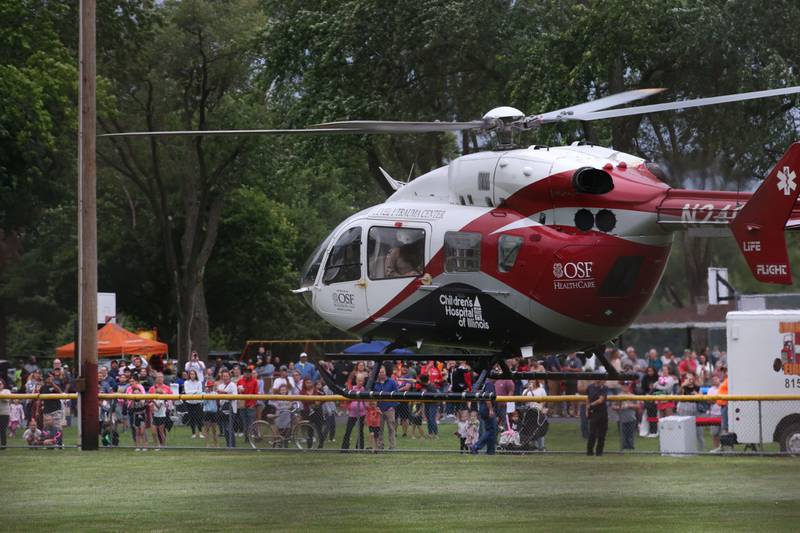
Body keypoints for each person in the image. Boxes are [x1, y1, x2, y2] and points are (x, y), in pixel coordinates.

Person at [471, 379, 498, 455]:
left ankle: (490, 451)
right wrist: (490, 409)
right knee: (491, 431)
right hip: (487, 409)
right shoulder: (489, 384)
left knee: (491, 430)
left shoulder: (486, 384)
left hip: (483, 408)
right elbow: (487, 397)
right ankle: (476, 446)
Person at [341, 375, 366, 451]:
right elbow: (347, 400)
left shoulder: (364, 389)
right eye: (359, 380)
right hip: (352, 414)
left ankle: (359, 447)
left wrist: (366, 412)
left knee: (360, 431)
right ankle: (344, 448)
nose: (360, 382)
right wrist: (348, 406)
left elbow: (365, 402)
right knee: (348, 430)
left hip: (362, 414)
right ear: (356, 381)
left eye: (362, 381)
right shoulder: (352, 388)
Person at [148, 372, 172, 450]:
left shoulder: (167, 388)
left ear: (163, 378)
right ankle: (157, 445)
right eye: (158, 377)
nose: (159, 378)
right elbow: (149, 399)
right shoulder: (152, 388)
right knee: (154, 431)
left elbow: (171, 398)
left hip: (163, 412)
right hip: (154, 413)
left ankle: (163, 445)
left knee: (162, 430)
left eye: (161, 377)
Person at [586, 378, 609, 456]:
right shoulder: (590, 387)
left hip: (602, 412)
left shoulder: (604, 388)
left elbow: (601, 400)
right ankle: (589, 451)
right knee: (592, 433)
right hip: (593, 412)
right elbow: (588, 399)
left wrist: (591, 405)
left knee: (602, 434)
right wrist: (587, 410)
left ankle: (599, 452)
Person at [614, 380, 639, 451]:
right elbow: (613, 406)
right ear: (621, 386)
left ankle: (631, 447)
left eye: (627, 385)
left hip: (631, 417)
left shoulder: (633, 396)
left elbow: (638, 406)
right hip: (622, 418)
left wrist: (631, 405)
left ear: (629, 386)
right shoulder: (618, 396)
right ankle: (623, 447)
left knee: (630, 434)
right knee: (623, 434)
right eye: (624, 386)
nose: (625, 387)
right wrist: (620, 407)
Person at [126, 374, 149, 450]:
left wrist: (140, 398)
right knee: (136, 431)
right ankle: (137, 446)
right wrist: (132, 399)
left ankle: (145, 446)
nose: (136, 394)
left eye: (133, 381)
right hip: (135, 415)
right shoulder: (129, 390)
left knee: (142, 431)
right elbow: (131, 406)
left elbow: (143, 404)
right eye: (130, 381)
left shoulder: (141, 389)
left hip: (141, 414)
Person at [216, 369, 238, 448]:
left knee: (229, 428)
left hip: (231, 409)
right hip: (223, 409)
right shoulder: (220, 386)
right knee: (225, 430)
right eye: (224, 376)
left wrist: (223, 392)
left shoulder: (233, 385)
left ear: (229, 377)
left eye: (226, 376)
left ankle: (233, 446)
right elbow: (218, 398)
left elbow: (235, 397)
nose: (225, 377)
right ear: (222, 377)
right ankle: (228, 445)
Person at [237, 367, 259, 442]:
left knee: (252, 422)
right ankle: (247, 438)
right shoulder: (240, 381)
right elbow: (237, 392)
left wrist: (253, 403)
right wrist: (239, 390)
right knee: (244, 422)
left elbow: (256, 394)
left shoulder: (254, 381)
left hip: (251, 405)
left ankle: (255, 436)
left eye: (249, 372)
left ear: (250, 373)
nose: (247, 373)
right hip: (243, 404)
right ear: (244, 373)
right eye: (246, 372)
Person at [184, 370, 204, 439]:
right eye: (191, 374)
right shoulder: (186, 382)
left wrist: (192, 393)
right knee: (192, 418)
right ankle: (193, 433)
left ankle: (200, 432)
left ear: (196, 375)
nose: (192, 375)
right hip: (189, 403)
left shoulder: (199, 382)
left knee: (199, 418)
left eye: (193, 374)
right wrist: (195, 392)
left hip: (197, 402)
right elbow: (187, 392)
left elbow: (200, 392)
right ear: (189, 375)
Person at [202, 380, 219, 447]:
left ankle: (216, 444)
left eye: (211, 386)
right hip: (207, 412)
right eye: (209, 386)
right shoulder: (205, 394)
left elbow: (217, 402)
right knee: (207, 429)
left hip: (214, 412)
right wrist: (206, 394)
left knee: (214, 429)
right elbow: (204, 403)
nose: (210, 387)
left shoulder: (215, 393)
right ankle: (207, 444)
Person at [0, 378, 10, 449]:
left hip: (4, 414)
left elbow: (7, 399)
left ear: (3, 385)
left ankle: (3, 445)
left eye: (0, 384)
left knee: (3, 430)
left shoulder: (7, 391)